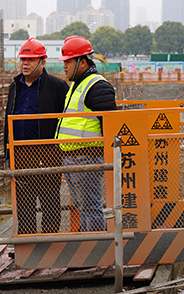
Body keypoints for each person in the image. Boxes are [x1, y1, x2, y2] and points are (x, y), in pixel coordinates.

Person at [4, 38, 69, 237]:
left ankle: (50, 239)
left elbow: (66, 120)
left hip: (47, 152)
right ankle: (27, 240)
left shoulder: (57, 86)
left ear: (42, 61)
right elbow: (8, 117)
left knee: (49, 196)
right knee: (23, 198)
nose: (25, 63)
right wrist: (7, 150)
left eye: (30, 60)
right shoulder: (15, 86)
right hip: (20, 152)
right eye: (23, 59)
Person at [55, 36, 116, 232]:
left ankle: (95, 248)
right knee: (83, 206)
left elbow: (110, 125)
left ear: (82, 62)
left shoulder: (97, 86)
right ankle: (90, 246)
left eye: (68, 61)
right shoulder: (77, 84)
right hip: (73, 157)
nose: (64, 66)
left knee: (91, 206)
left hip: (87, 157)